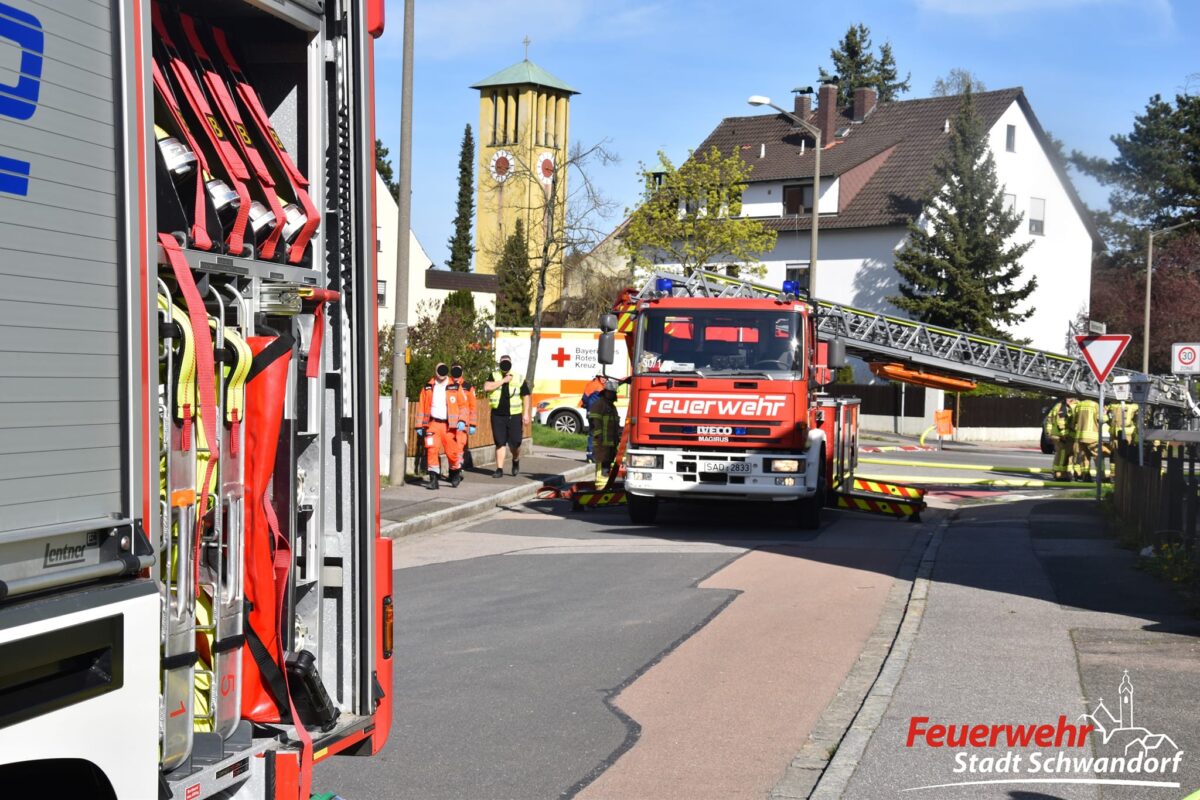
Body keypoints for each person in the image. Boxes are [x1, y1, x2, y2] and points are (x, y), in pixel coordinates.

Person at [416, 362, 469, 490]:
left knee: (452, 452)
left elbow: (463, 406)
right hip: (433, 424)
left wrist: (462, 420)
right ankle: (433, 480)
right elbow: (421, 407)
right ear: (435, 371)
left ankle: (455, 473)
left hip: (449, 426)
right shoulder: (427, 387)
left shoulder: (455, 387)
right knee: (431, 450)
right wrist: (419, 425)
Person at [483, 354, 531, 478]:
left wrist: (526, 413)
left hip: (514, 415)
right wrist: (503, 381)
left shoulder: (518, 377)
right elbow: (486, 387)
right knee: (500, 442)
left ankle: (515, 459)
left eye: (507, 362)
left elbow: (526, 395)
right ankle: (499, 469)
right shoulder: (494, 375)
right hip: (498, 415)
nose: (504, 365)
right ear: (500, 364)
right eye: (502, 362)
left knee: (515, 443)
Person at [587, 379, 622, 485]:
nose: (612, 394)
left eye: (613, 392)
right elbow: (594, 422)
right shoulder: (599, 404)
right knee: (601, 466)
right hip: (602, 443)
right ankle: (600, 486)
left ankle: (606, 485)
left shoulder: (612, 407)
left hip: (611, 444)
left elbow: (615, 424)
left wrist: (619, 436)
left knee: (607, 467)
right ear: (605, 391)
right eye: (610, 392)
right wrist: (599, 437)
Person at [451, 363, 478, 471]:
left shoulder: (468, 387)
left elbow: (472, 407)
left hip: (462, 423)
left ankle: (458, 468)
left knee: (459, 446)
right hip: (449, 422)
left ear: (462, 372)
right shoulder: (447, 385)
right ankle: (453, 468)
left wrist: (473, 424)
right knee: (450, 447)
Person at [580, 373, 607, 463]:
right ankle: (593, 456)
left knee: (593, 434)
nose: (605, 379)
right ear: (598, 377)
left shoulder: (599, 385)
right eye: (603, 377)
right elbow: (585, 398)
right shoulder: (595, 385)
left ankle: (590, 455)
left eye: (606, 378)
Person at [1073, 396, 1101, 482]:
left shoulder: (1079, 405)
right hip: (1092, 436)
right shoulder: (1095, 405)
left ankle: (1086, 476)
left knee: (1084, 456)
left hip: (1080, 436)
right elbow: (1101, 419)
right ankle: (1101, 476)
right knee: (1098, 457)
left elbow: (1075, 419)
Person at [1045, 397, 1071, 482]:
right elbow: (1061, 422)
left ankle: (1057, 471)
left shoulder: (1057, 406)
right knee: (1062, 454)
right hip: (1060, 435)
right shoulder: (1062, 407)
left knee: (1059, 454)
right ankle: (1060, 473)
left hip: (1055, 434)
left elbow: (1049, 419)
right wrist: (1064, 435)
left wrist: (1049, 433)